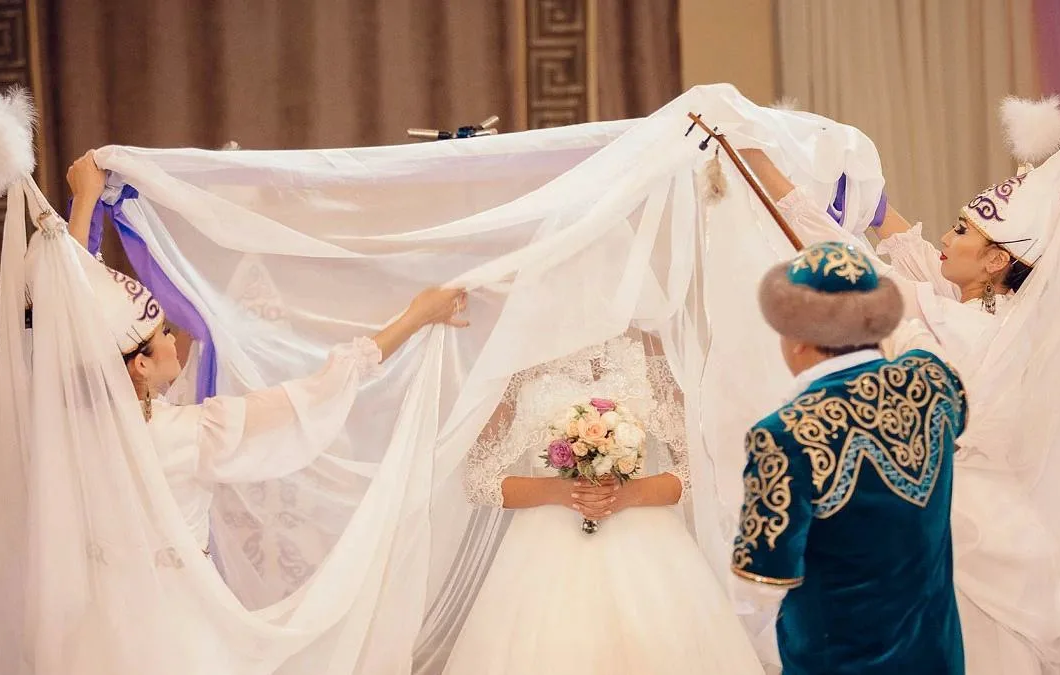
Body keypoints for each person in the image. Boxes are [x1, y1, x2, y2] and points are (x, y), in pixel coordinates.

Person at [738, 68, 1060, 671]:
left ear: (996, 261)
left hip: (952, 514)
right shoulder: (994, 313)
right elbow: (910, 248)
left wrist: (758, 162)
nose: (946, 240)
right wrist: (875, 206)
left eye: (960, 232)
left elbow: (853, 263)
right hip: (1004, 517)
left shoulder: (959, 322)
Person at [49, 152, 469, 559]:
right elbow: (319, 392)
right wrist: (416, 316)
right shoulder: (185, 433)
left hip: (106, 596)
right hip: (174, 598)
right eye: (164, 333)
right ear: (140, 363)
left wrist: (85, 203)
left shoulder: (73, 425)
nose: (177, 336)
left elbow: (73, 324)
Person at [442, 332, 766, 675]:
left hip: (647, 541)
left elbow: (697, 470)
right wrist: (561, 491)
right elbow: (478, 480)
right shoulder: (521, 356)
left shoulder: (649, 349)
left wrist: (627, 493)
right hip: (545, 544)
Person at [733, 240, 968, 674]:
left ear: (798, 339)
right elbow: (919, 346)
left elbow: (761, 583)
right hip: (936, 656)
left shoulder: (784, 434)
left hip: (840, 662)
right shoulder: (934, 383)